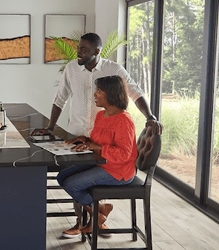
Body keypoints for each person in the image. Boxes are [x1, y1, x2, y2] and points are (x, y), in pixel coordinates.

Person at [32, 32, 162, 238]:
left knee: (77, 182)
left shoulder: (114, 71)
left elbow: (135, 92)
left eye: (83, 49)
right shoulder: (72, 69)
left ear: (97, 51)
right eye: (78, 48)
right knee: (69, 176)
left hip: (106, 145)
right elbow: (60, 99)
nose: (78, 52)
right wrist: (50, 127)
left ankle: (92, 221)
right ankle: (89, 218)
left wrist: (150, 116)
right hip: (84, 135)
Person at [57, 75, 137, 236]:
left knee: (72, 184)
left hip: (118, 171)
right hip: (101, 163)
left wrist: (96, 146)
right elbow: (99, 141)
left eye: (99, 91)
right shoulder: (101, 115)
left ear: (112, 94)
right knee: (61, 177)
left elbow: (124, 153)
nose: (95, 94)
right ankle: (100, 210)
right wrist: (85, 140)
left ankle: (97, 215)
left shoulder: (123, 121)